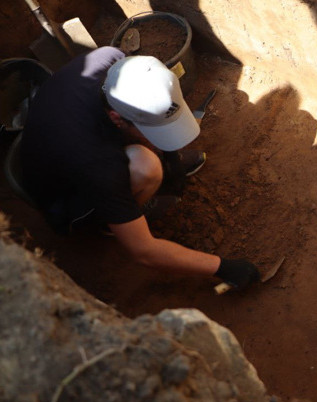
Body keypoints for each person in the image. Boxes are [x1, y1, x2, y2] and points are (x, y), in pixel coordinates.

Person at [21, 46, 259, 291]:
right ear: (117, 118)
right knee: (146, 167)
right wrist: (223, 267)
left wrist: (172, 157)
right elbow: (144, 252)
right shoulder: (96, 164)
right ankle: (107, 223)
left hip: (60, 128)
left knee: (148, 158)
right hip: (61, 196)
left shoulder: (113, 60)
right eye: (149, 129)